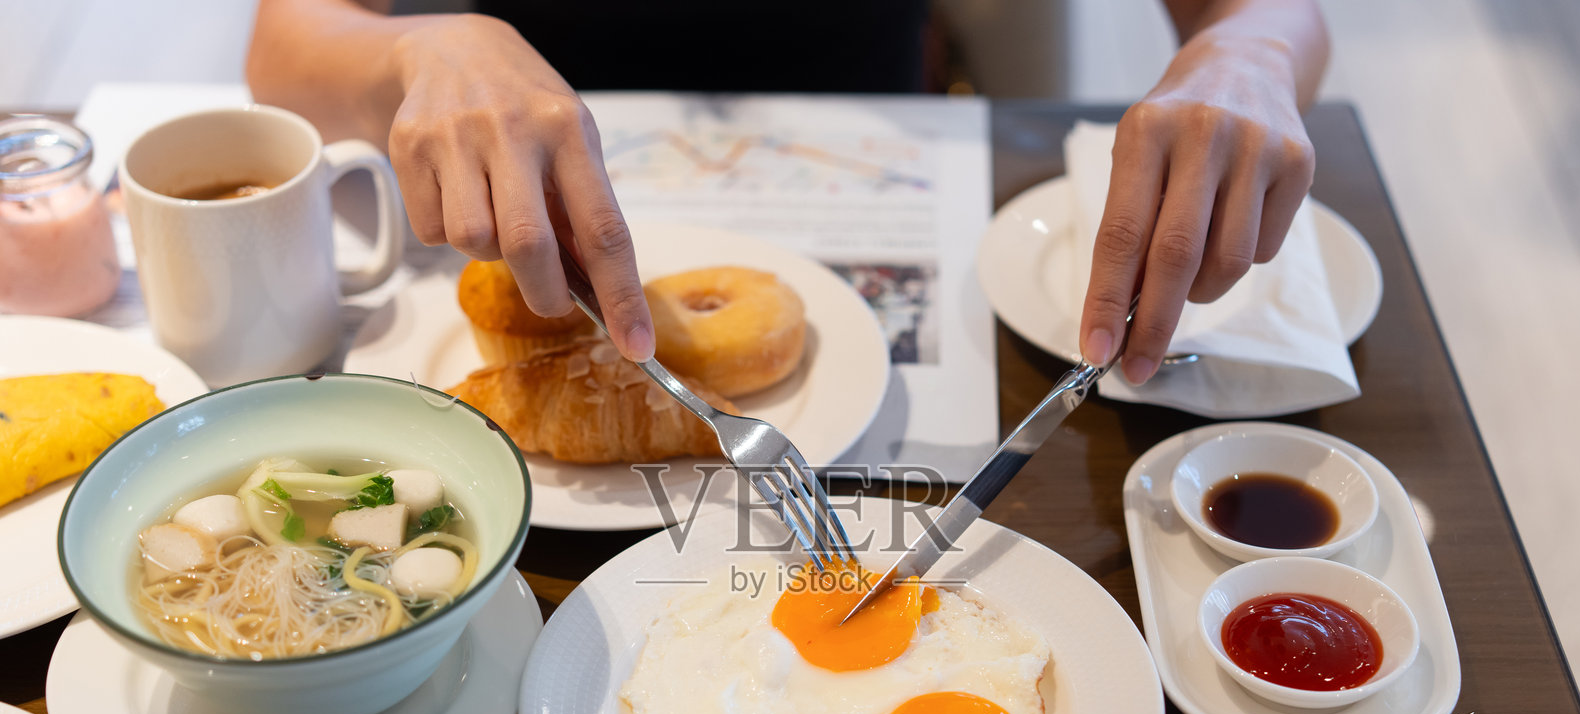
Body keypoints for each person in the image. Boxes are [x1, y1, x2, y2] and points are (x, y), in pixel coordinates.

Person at [247, 0, 1328, 386]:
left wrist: (1253, 51)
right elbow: (288, 41)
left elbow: (1265, 10)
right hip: (537, 183)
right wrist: (419, 49)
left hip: (893, 168)